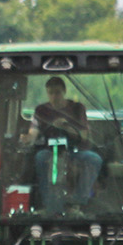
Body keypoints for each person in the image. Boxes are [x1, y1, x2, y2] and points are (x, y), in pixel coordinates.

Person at [25, 76, 103, 214]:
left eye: (57, 92)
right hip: (50, 150)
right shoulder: (41, 111)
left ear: (64, 91)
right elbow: (33, 132)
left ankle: (77, 202)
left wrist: (66, 127)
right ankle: (48, 203)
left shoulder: (78, 108)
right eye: (51, 93)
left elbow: (84, 135)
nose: (54, 96)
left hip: (75, 151)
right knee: (40, 158)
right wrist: (27, 138)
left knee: (94, 159)